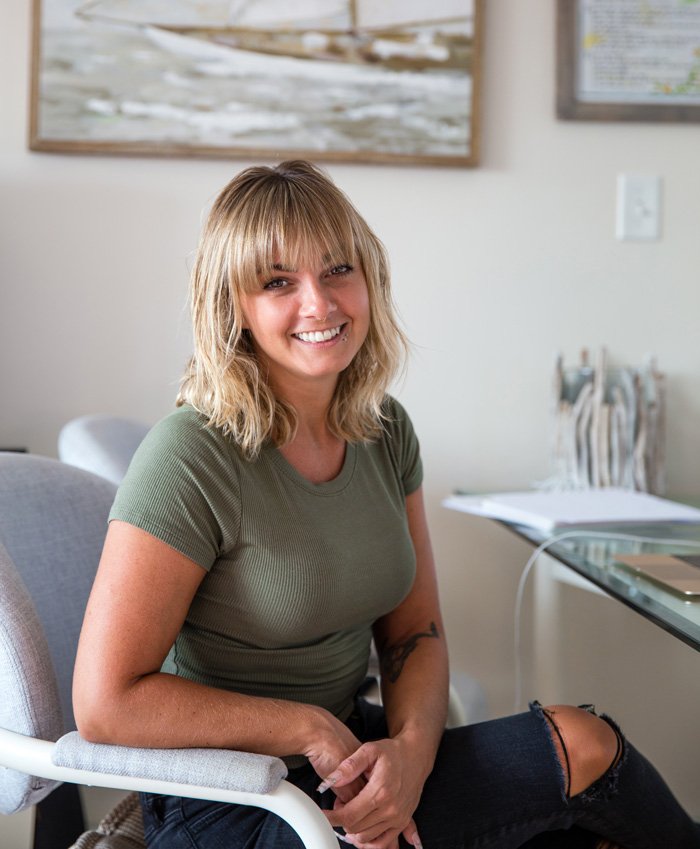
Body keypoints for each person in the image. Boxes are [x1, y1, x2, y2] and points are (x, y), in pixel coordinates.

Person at [73, 160, 700, 849]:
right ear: (234, 306)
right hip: (227, 800)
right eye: (279, 281)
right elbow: (107, 702)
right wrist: (304, 725)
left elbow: (414, 634)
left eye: (337, 269)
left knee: (582, 799)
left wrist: (411, 755)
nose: (320, 303)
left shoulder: (384, 428)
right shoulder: (190, 452)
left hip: (349, 758)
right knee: (580, 752)